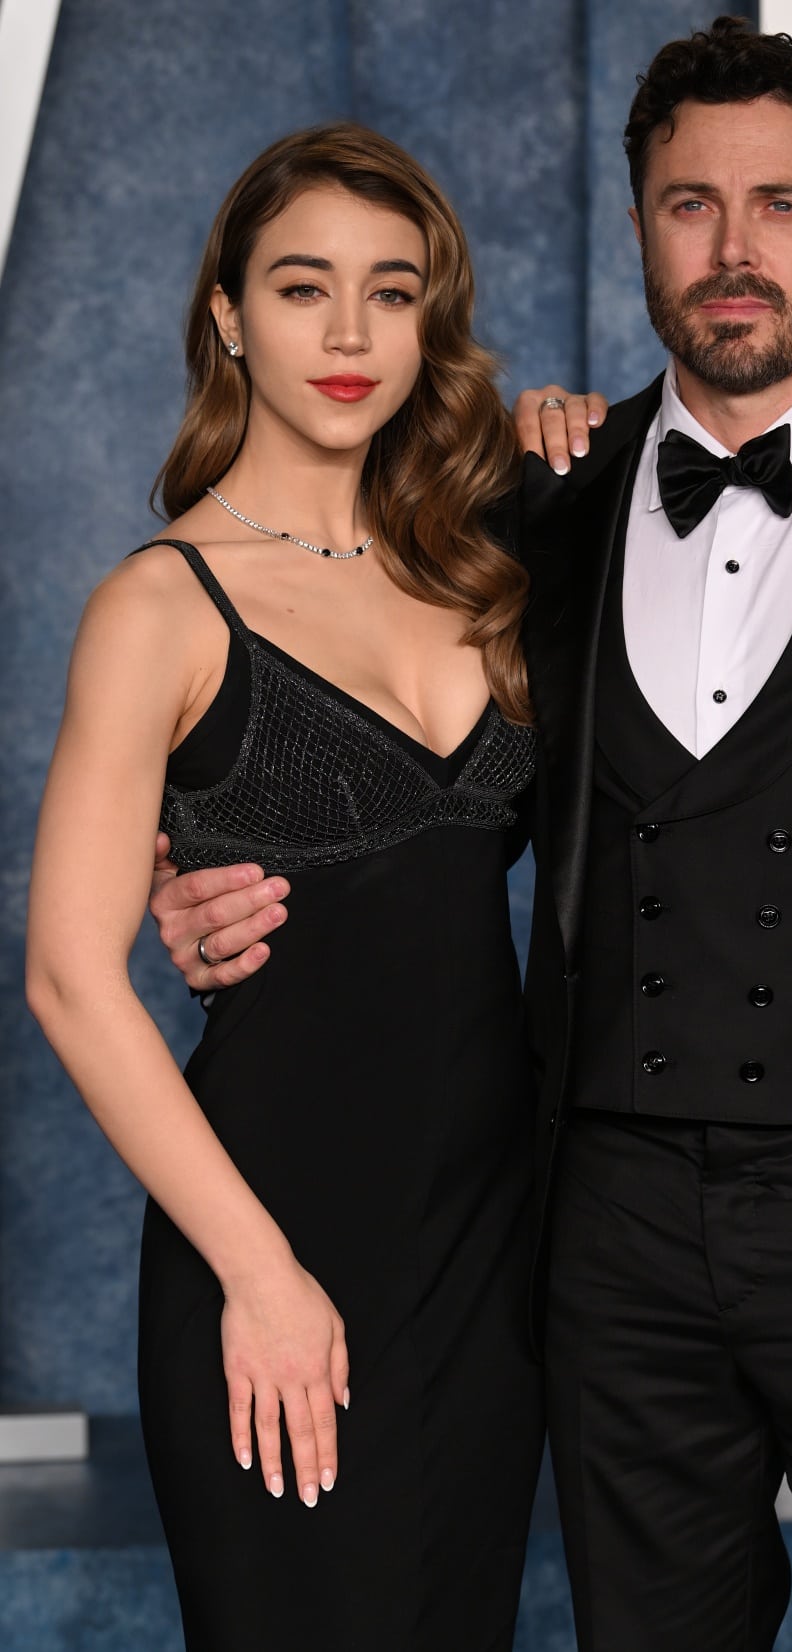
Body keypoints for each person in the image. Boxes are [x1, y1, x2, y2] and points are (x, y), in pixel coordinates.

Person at [145, 19, 792, 1652]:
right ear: (640, 227)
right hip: (608, 1246)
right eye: (691, 203)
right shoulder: (523, 512)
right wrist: (201, 879)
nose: (735, 246)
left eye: (784, 204)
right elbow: (410, 803)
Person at [25, 122, 582, 1652]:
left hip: (491, 1255)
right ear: (227, 314)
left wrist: (572, 448)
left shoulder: (489, 574)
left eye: (391, 293)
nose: (348, 335)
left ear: (430, 320)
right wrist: (260, 1277)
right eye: (300, 288)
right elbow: (71, 976)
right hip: (271, 1238)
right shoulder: (160, 604)